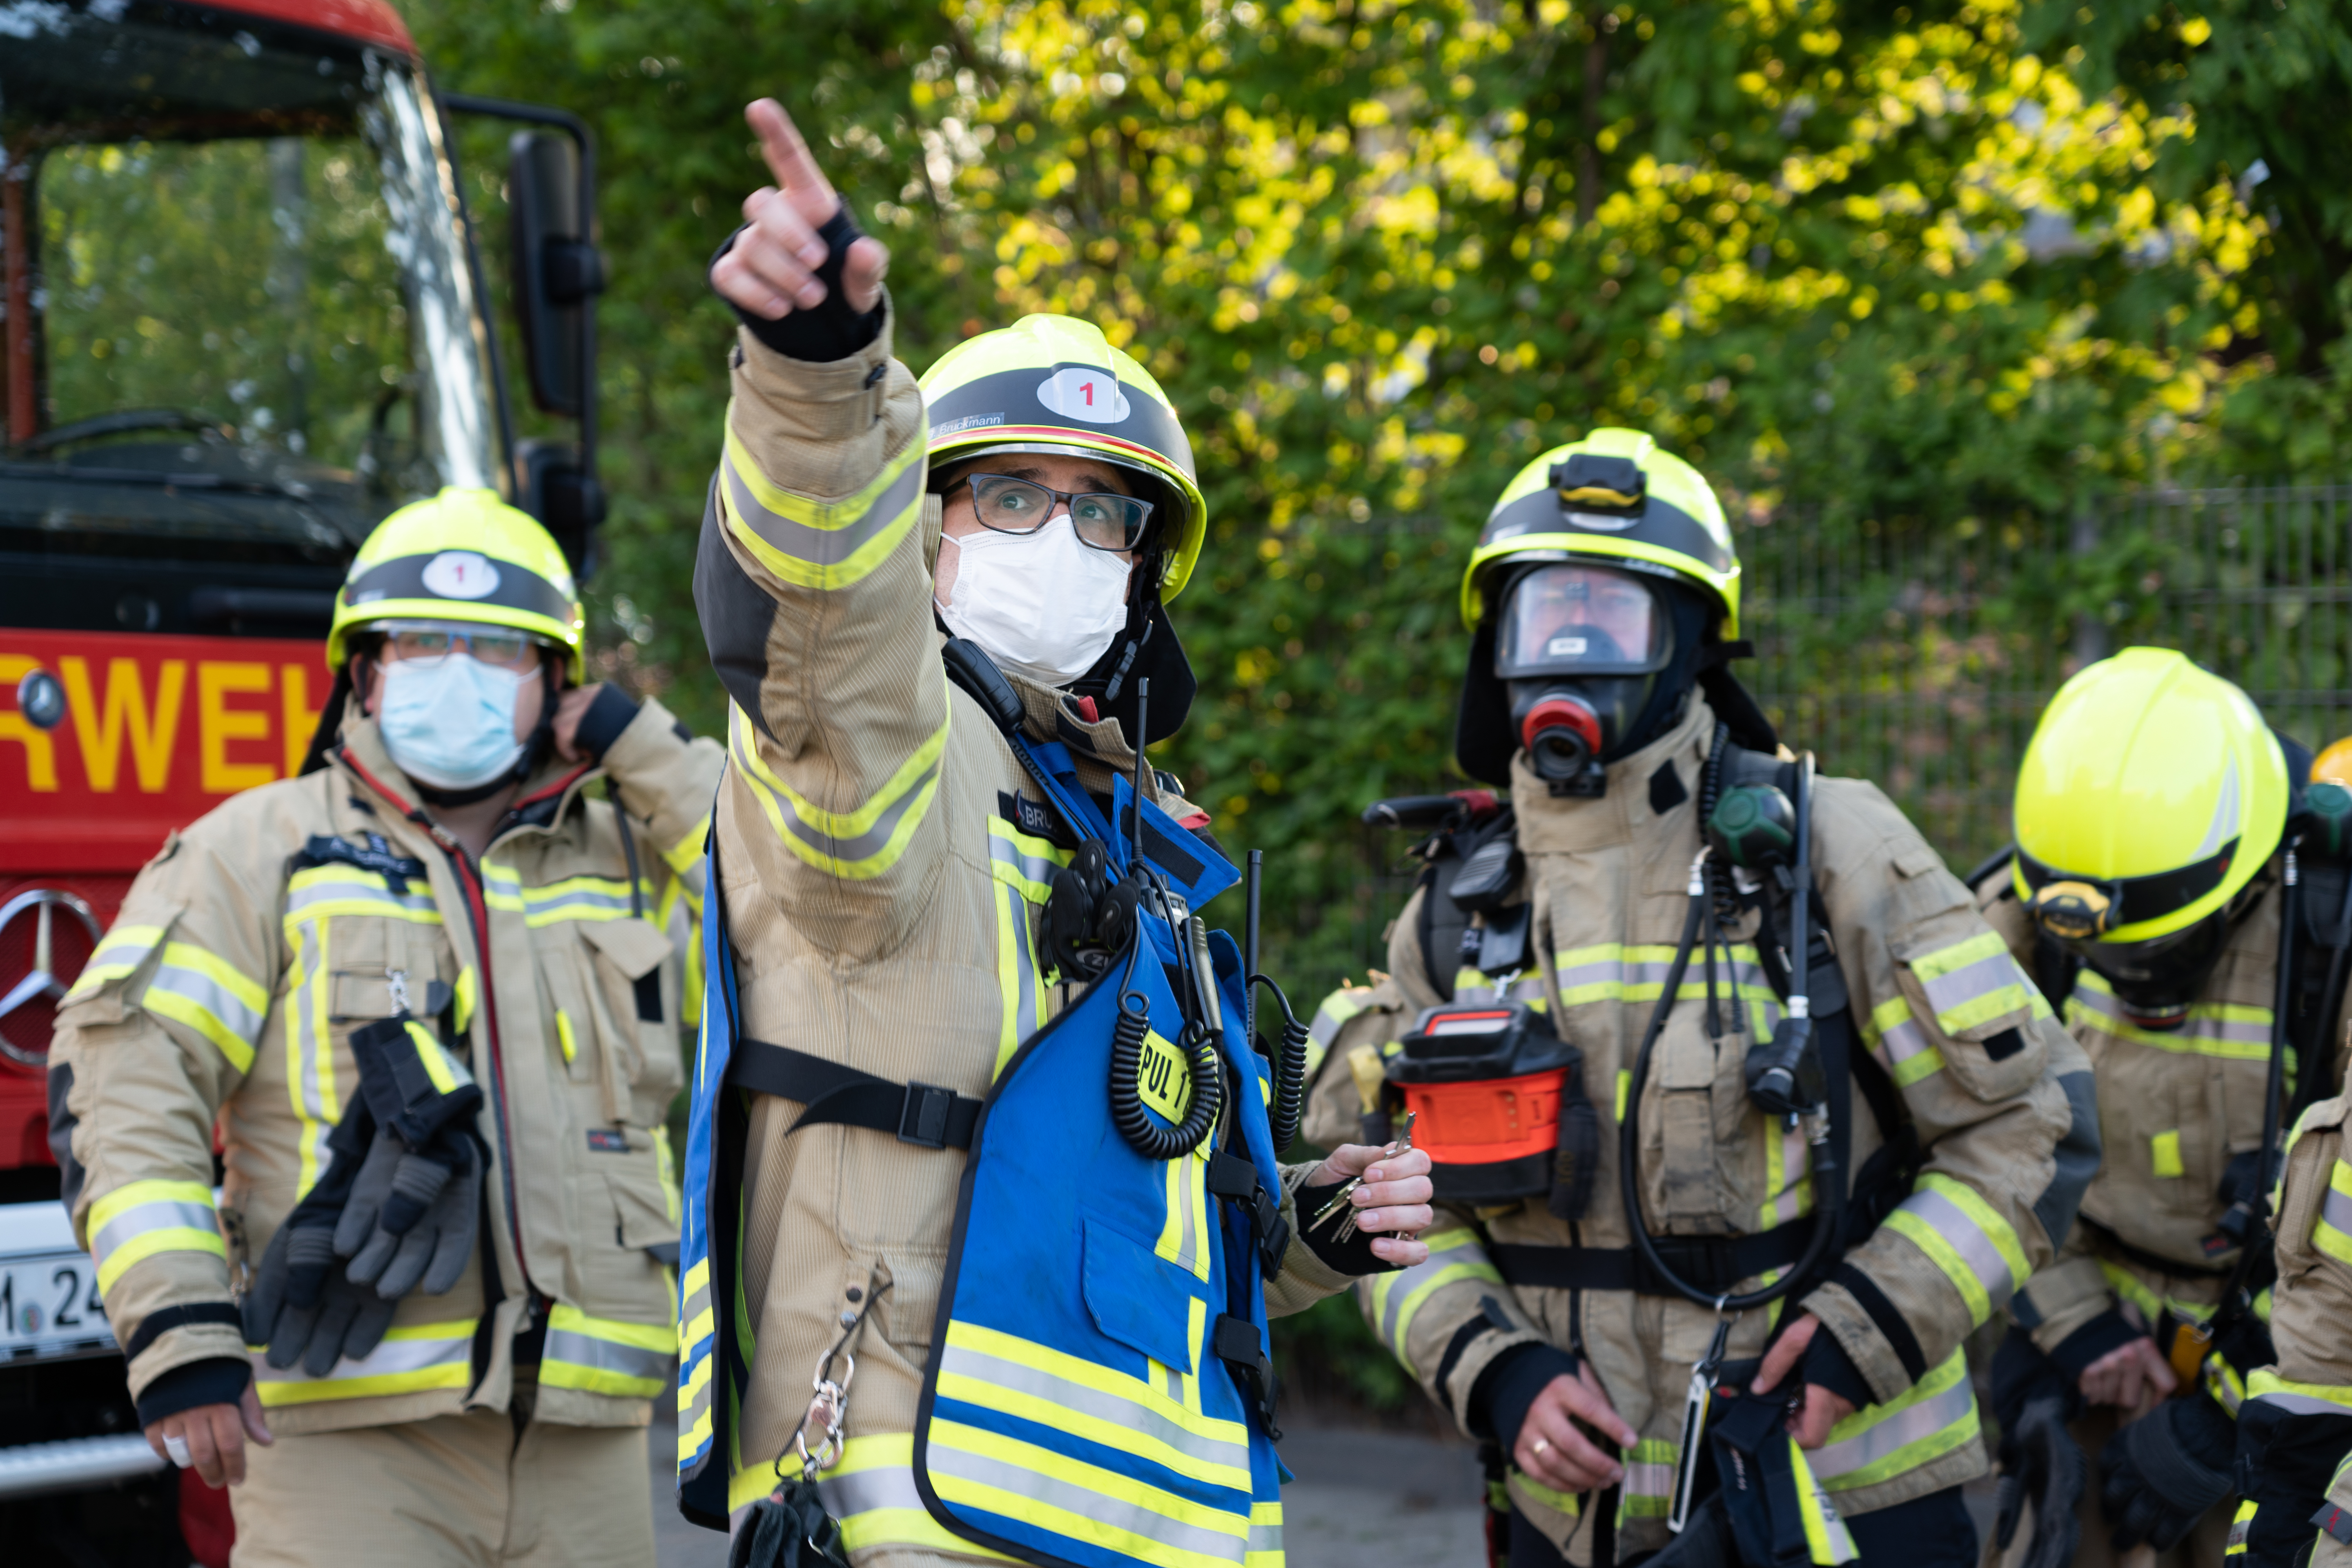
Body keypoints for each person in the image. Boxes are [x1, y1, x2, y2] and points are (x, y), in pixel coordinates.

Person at [676, 97, 1437, 1562]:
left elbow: (1123, 1230)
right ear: (925, 526)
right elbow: (821, 623)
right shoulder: (890, 771)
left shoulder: (1136, 854)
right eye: (1013, 496)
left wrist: (1310, 1240)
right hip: (917, 1519)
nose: (1064, 543)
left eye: (1106, 520)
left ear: (1147, 579)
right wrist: (818, 379)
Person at [1300, 428, 2095, 1568]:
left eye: (1612, 618)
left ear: (1689, 643)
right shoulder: (1459, 911)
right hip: (1569, 1521)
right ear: (1498, 652)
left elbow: (2036, 1123)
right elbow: (1380, 1204)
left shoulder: (1834, 852)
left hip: (1842, 1507)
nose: (1572, 652)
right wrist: (1495, 1371)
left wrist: (1858, 1337)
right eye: (1544, 617)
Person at [47, 489, 722, 1566]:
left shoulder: (632, 859)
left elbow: (810, 911)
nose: (456, 672)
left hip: (587, 1442)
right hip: (346, 1444)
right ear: (364, 671)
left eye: (497, 648)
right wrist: (180, 1330)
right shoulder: (257, 852)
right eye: (421, 642)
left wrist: (642, 746)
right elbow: (126, 1072)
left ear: (555, 680)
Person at [1975, 649, 2352, 1568]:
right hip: (2095, 1345)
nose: (2128, 973)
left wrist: (2225, 1413)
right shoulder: (2025, 927)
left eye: (2161, 944)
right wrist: (2071, 1323)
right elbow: (1969, 1137)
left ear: (2248, 867)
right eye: (2107, 953)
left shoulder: (2329, 940)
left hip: (2288, 1366)